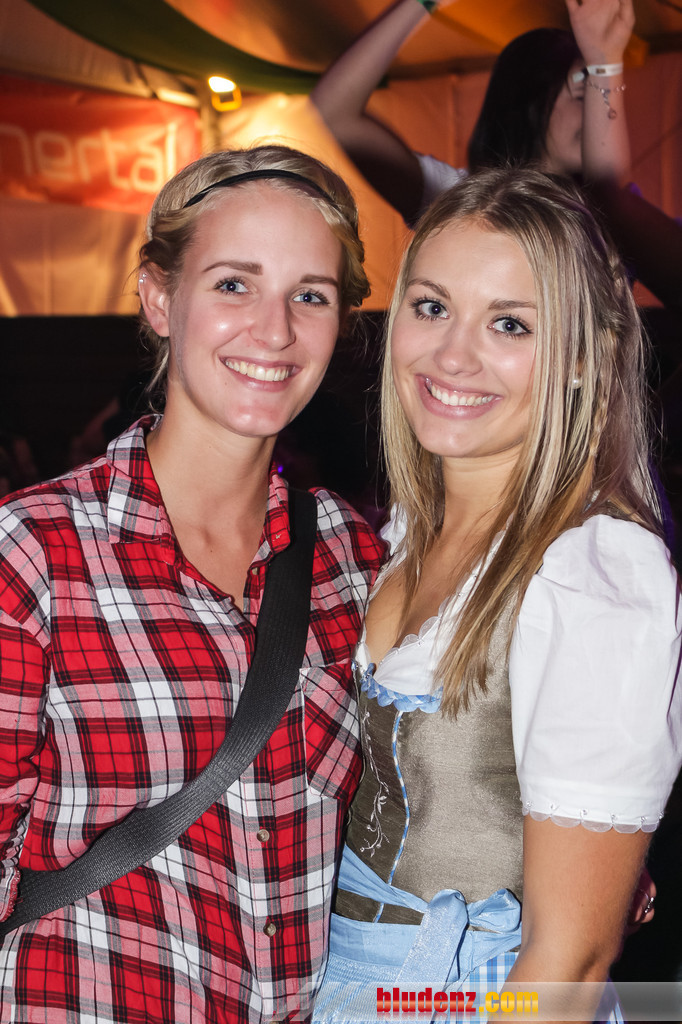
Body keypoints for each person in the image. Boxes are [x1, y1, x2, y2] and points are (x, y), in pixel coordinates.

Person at [0, 145, 385, 1023]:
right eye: (234, 284)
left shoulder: (354, 560)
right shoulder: (34, 553)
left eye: (311, 296)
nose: (275, 331)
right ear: (159, 298)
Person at [312, 167, 682, 1022]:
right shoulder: (400, 534)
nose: (453, 355)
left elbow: (569, 963)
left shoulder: (593, 569)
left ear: (583, 360)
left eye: (509, 323)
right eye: (432, 307)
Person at [310, 0, 633, 227]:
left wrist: (605, 60)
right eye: (583, 95)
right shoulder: (457, 197)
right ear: (528, 101)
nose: (599, 110)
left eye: (605, 90)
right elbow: (335, 111)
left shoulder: (616, 211)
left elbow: (610, 190)